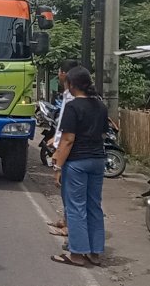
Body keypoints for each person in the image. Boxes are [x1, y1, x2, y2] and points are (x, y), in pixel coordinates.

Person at [51, 66, 107, 268]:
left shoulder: (73, 107)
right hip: (98, 161)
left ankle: (76, 254)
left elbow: (67, 140)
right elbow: (103, 134)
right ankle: (95, 252)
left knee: (75, 207)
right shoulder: (100, 106)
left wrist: (57, 166)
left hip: (77, 162)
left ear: (72, 85)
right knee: (94, 206)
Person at [47, 59, 80, 237]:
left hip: (70, 150)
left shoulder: (73, 98)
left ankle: (70, 227)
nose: (58, 75)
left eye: (60, 71)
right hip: (69, 147)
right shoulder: (69, 96)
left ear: (65, 74)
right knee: (66, 189)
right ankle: (67, 220)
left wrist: (58, 154)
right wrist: (55, 138)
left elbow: (68, 132)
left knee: (69, 190)